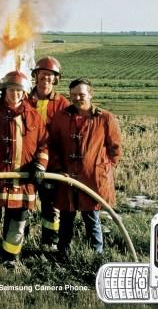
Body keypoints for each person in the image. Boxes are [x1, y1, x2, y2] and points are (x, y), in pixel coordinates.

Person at [0, 71, 48, 266]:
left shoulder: (34, 116)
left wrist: (40, 165)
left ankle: (10, 258)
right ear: (4, 91)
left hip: (22, 184)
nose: (15, 94)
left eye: (19, 91)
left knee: (18, 222)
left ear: (25, 93)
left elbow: (44, 144)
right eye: (11, 90)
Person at [49, 78, 122, 256]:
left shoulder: (105, 118)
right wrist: (58, 170)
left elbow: (115, 149)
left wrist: (101, 169)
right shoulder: (60, 117)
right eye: (73, 95)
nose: (77, 98)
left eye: (81, 94)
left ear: (90, 94)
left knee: (92, 218)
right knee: (66, 217)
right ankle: (63, 253)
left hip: (92, 180)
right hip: (66, 177)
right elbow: (52, 146)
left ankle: (96, 255)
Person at [26, 56, 69, 251]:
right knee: (24, 203)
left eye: (50, 76)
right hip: (25, 162)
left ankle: (49, 244)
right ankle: (20, 242)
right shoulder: (24, 100)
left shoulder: (62, 104)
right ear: (36, 76)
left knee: (51, 206)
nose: (46, 79)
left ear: (56, 79)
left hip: (52, 165)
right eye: (42, 75)